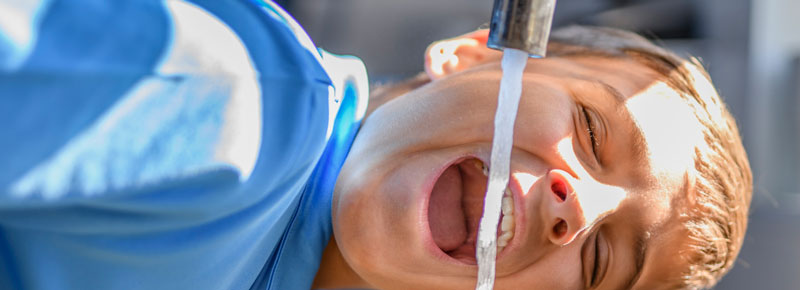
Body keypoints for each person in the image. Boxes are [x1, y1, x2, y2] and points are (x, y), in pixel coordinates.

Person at [0, 2, 751, 290]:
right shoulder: (255, 105)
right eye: (591, 129)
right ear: (472, 54)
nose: (577, 206)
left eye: (597, 265)